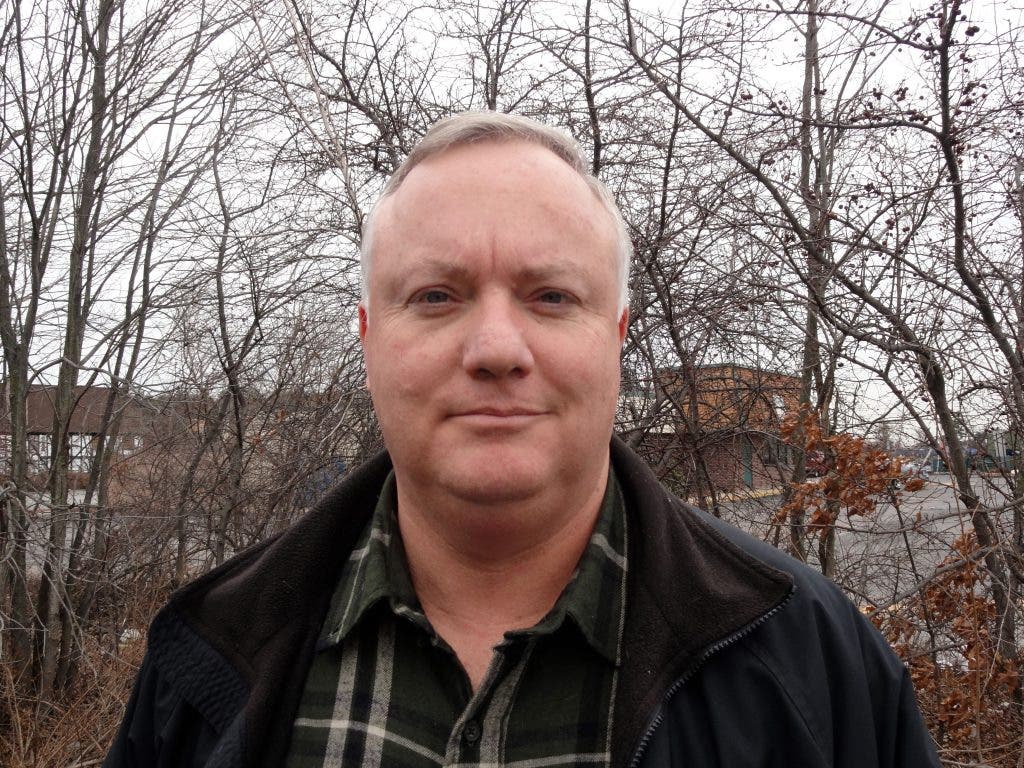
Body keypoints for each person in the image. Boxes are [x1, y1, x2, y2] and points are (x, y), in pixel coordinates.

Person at [104, 112, 939, 768]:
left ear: (617, 339)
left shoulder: (815, 665)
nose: (496, 349)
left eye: (551, 297)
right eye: (436, 296)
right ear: (368, 341)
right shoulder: (208, 655)